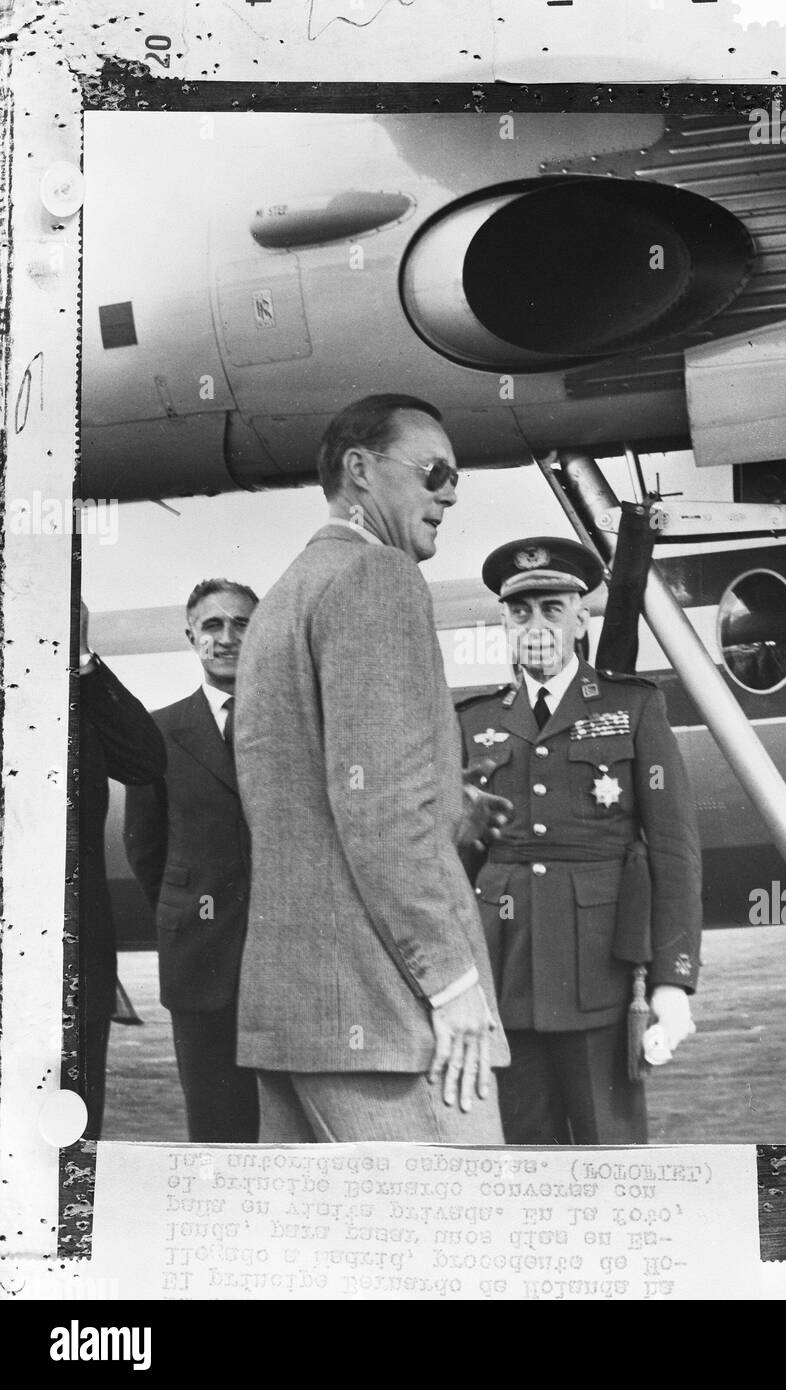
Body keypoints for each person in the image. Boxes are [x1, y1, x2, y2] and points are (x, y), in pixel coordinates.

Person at [233, 393, 509, 1143]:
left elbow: (311, 798)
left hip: (302, 1014)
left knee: (321, 1255)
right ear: (360, 469)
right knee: (464, 1247)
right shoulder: (375, 578)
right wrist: (452, 983)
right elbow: (382, 814)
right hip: (391, 1018)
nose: (450, 490)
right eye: (434, 470)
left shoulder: (285, 596)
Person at [456, 536, 703, 1144]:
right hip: (505, 972)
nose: (534, 624)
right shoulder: (475, 721)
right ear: (505, 624)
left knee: (610, 1159)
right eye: (520, 611)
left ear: (580, 619)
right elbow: (457, 863)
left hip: (600, 974)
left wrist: (672, 980)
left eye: (551, 609)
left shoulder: (634, 707)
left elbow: (674, 851)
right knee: (523, 1160)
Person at [123, 579, 260, 1142]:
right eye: (212, 626)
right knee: (215, 1123)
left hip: (284, 958)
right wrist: (187, 916)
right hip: (199, 959)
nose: (227, 638)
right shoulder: (158, 731)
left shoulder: (294, 722)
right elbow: (145, 848)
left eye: (241, 625)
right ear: (191, 637)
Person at [77, 601, 167, 1140]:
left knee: (74, 1134)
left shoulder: (73, 692)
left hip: (77, 956)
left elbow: (144, 760)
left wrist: (83, 656)